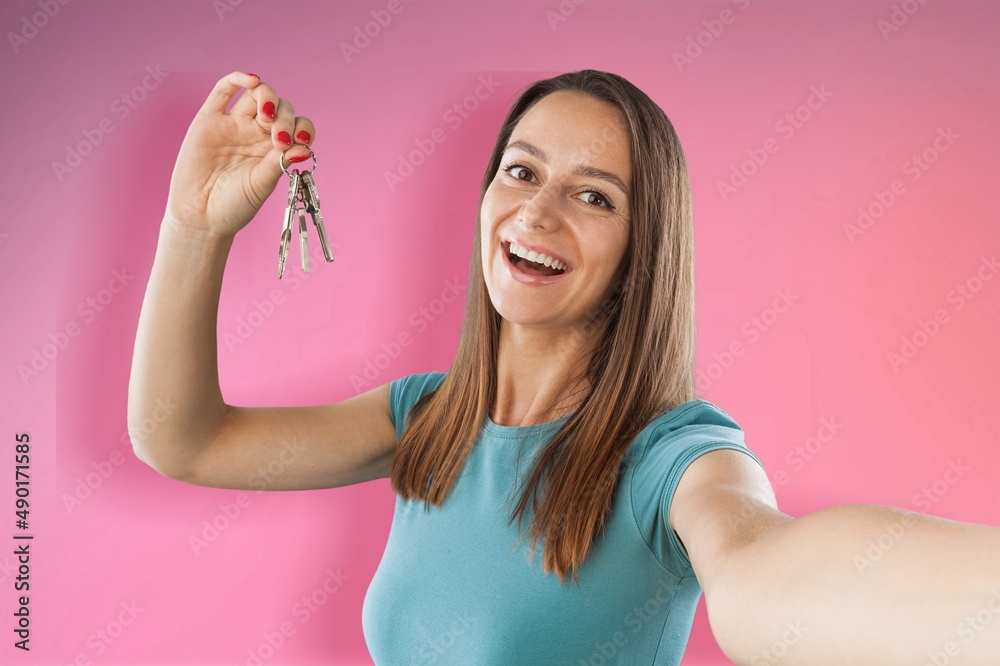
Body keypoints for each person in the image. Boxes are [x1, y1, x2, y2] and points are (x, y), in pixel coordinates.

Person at [129, 69, 1000, 665]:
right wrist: (193, 229)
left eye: (593, 195)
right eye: (521, 171)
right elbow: (188, 441)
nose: (537, 211)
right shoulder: (426, 421)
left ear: (642, 248)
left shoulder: (673, 459)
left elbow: (758, 565)